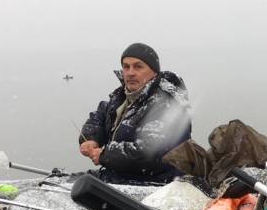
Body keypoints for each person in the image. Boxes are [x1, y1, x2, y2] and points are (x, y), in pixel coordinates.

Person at [79, 43, 192, 183]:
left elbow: (149, 152)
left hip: (155, 186)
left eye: (138, 66)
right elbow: (99, 117)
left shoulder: (167, 104)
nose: (130, 72)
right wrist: (91, 138)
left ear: (154, 72)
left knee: (80, 190)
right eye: (126, 66)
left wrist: (104, 155)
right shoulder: (121, 97)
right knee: (69, 185)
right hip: (118, 178)